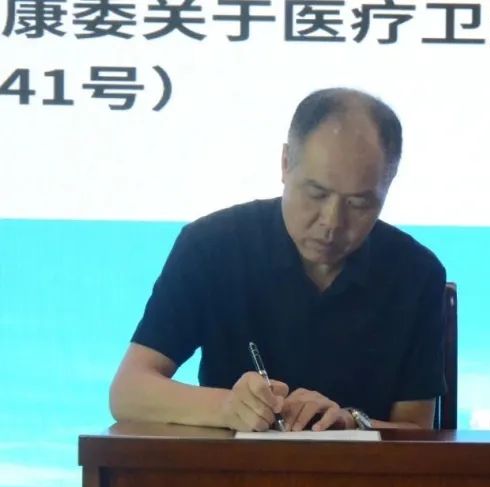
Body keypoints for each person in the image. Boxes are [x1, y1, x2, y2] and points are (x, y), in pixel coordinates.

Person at [110, 88, 446, 432]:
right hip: (230, 464)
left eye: (358, 204)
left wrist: (350, 422)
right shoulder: (212, 246)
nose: (331, 222)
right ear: (286, 163)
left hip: (360, 468)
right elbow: (128, 391)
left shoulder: (416, 274)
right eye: (316, 193)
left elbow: (417, 431)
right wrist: (227, 407)